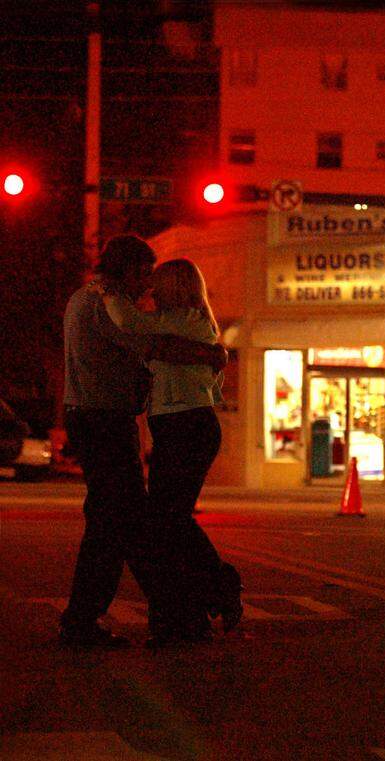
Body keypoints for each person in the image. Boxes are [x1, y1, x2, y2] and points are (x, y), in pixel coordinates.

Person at [59, 235, 226, 648]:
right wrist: (212, 354)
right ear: (130, 270)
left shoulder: (87, 297)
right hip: (104, 421)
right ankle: (184, 609)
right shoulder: (107, 304)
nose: (148, 287)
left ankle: (168, 614)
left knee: (121, 521)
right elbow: (154, 343)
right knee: (123, 523)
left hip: (97, 419)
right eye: (145, 275)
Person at [100, 258, 243, 644]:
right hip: (178, 426)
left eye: (158, 284)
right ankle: (204, 597)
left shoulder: (184, 318)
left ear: (177, 287)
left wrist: (111, 293)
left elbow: (130, 322)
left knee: (169, 519)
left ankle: (220, 586)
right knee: (168, 520)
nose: (151, 291)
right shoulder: (183, 322)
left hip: (187, 425)